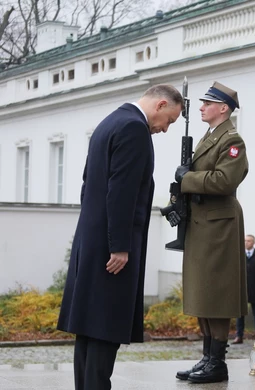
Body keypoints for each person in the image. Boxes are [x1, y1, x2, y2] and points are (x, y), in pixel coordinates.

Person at [57, 85, 184, 390]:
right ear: (161, 104)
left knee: (89, 327)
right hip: (112, 248)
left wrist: (92, 235)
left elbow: (88, 185)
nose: (165, 129)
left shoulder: (109, 121)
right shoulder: (134, 128)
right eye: (170, 120)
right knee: (105, 326)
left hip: (92, 239)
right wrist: (120, 247)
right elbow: (122, 192)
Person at [174, 82, 249, 384]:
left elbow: (224, 181)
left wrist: (188, 179)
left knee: (216, 293)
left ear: (223, 108)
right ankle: (207, 358)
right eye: (203, 103)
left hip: (219, 225)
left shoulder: (233, 141)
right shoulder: (210, 136)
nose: (202, 107)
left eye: (208, 103)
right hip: (203, 222)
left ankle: (217, 362)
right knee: (203, 291)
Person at [233, 234, 255, 344]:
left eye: (249, 241)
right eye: (245, 240)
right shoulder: (239, 255)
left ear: (253, 242)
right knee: (240, 315)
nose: (246, 242)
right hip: (242, 290)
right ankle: (239, 336)